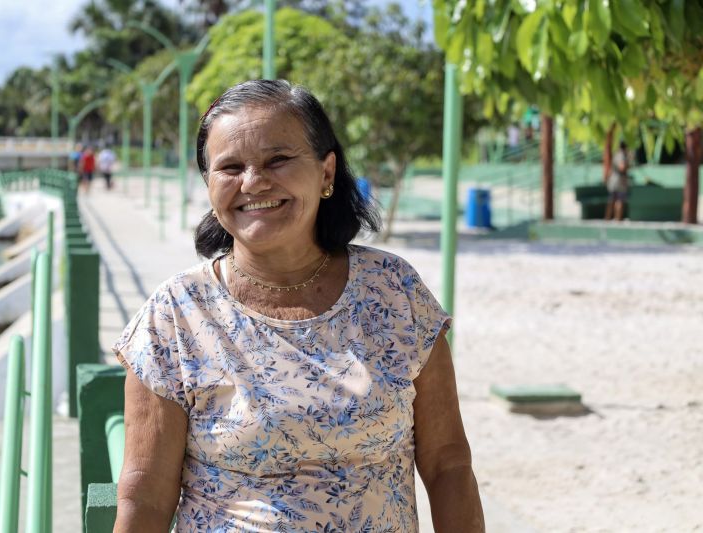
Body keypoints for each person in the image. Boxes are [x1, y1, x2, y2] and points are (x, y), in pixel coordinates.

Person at [112, 80, 484, 532]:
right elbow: (145, 496)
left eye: (278, 160)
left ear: (326, 173)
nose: (253, 182)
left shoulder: (395, 290)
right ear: (209, 184)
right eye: (230, 167)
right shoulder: (175, 315)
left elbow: (448, 465)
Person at [605, 141, 630, 221]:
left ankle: (607, 219)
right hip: (619, 181)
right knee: (619, 200)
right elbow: (621, 167)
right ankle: (617, 219)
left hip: (613, 181)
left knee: (611, 200)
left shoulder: (616, 154)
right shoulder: (622, 155)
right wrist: (628, 165)